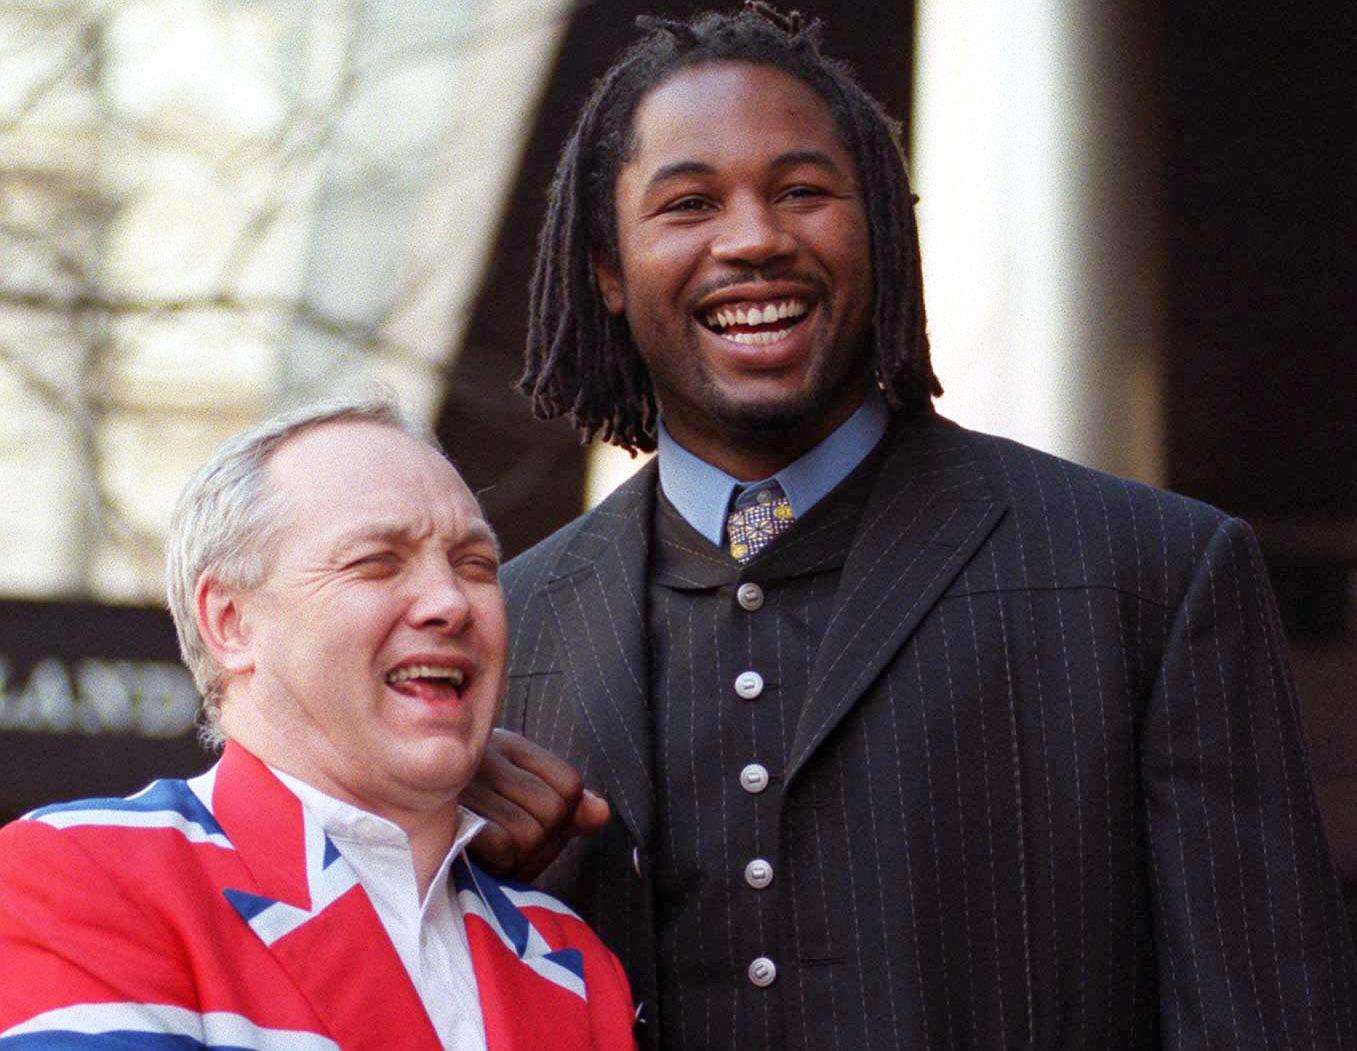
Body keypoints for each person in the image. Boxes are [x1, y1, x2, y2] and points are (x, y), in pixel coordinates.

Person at [462, 5, 1357, 1049]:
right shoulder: (503, 630)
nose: (752, 239)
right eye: (689, 203)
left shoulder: (1152, 577)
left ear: (881, 227)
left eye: (801, 192)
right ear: (607, 270)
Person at [0, 398, 636, 1050]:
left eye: (474, 565)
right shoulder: (82, 871)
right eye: (376, 561)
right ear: (231, 622)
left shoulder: (573, 961)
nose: (450, 601)